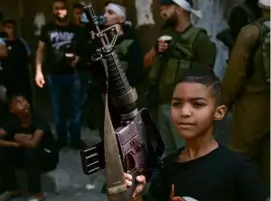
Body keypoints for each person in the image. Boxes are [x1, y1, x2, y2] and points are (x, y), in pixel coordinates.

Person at [124, 67, 270, 201]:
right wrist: (134, 197)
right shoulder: (168, 166)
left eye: (197, 104)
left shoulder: (235, 166)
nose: (185, 112)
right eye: (177, 104)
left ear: (219, 112)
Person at [147, 0, 216, 157]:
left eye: (167, 7)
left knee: (187, 151)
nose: (162, 11)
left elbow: (206, 74)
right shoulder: (165, 35)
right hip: (164, 103)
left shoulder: (199, 39)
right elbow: (147, 64)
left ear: (179, 9)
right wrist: (157, 51)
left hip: (186, 107)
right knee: (165, 151)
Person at [222, 0, 270, 187]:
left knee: (239, 156)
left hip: (252, 106)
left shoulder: (251, 33)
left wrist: (224, 103)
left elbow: (236, 73)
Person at [35, 0, 86, 149]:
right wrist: (38, 71)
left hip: (73, 74)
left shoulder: (76, 29)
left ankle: (75, 138)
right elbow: (40, 50)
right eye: (56, 9)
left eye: (62, 8)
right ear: (53, 11)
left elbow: (83, 51)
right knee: (57, 109)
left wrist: (77, 58)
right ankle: (61, 138)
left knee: (76, 109)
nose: (59, 11)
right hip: (53, 74)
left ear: (67, 10)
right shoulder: (47, 29)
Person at [89, 2, 143, 138]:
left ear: (121, 19)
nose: (105, 15)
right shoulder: (100, 40)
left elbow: (135, 70)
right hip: (105, 97)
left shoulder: (130, 42)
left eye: (110, 12)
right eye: (105, 12)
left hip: (124, 98)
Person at [0, 93, 58, 201]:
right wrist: (15, 143)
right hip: (26, 155)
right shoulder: (13, 121)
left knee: (31, 151)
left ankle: (36, 194)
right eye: (18, 103)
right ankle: (12, 188)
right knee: (4, 151)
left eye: (24, 101)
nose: (24, 105)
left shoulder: (37, 118)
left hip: (47, 157)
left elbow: (33, 143)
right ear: (12, 110)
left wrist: (17, 137)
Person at [2, 19, 32, 104]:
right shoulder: (2, 42)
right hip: (7, 79)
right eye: (9, 28)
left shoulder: (22, 42)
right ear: (4, 29)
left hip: (22, 78)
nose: (11, 30)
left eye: (13, 28)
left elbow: (29, 56)